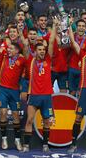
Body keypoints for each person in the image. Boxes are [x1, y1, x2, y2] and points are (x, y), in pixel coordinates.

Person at [21, 17, 57, 153]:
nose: (42, 51)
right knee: (29, 120)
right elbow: (25, 45)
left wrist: (54, 25)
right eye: (39, 49)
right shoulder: (29, 59)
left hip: (47, 96)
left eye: (43, 49)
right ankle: (26, 146)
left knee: (47, 122)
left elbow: (52, 41)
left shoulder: (48, 58)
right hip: (34, 95)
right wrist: (21, 29)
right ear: (35, 51)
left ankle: (45, 145)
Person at [0, 43, 26, 151]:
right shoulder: (4, 55)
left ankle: (17, 139)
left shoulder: (22, 60)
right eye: (8, 48)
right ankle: (4, 138)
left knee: (15, 115)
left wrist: (24, 89)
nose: (8, 50)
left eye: (11, 48)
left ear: (17, 51)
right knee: (3, 112)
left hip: (14, 90)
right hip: (2, 89)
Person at [68, 19, 86, 96]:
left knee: (81, 92)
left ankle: (80, 108)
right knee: (72, 92)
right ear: (76, 27)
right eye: (79, 26)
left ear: (85, 28)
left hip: (83, 69)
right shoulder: (70, 37)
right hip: (72, 68)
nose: (81, 28)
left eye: (83, 26)